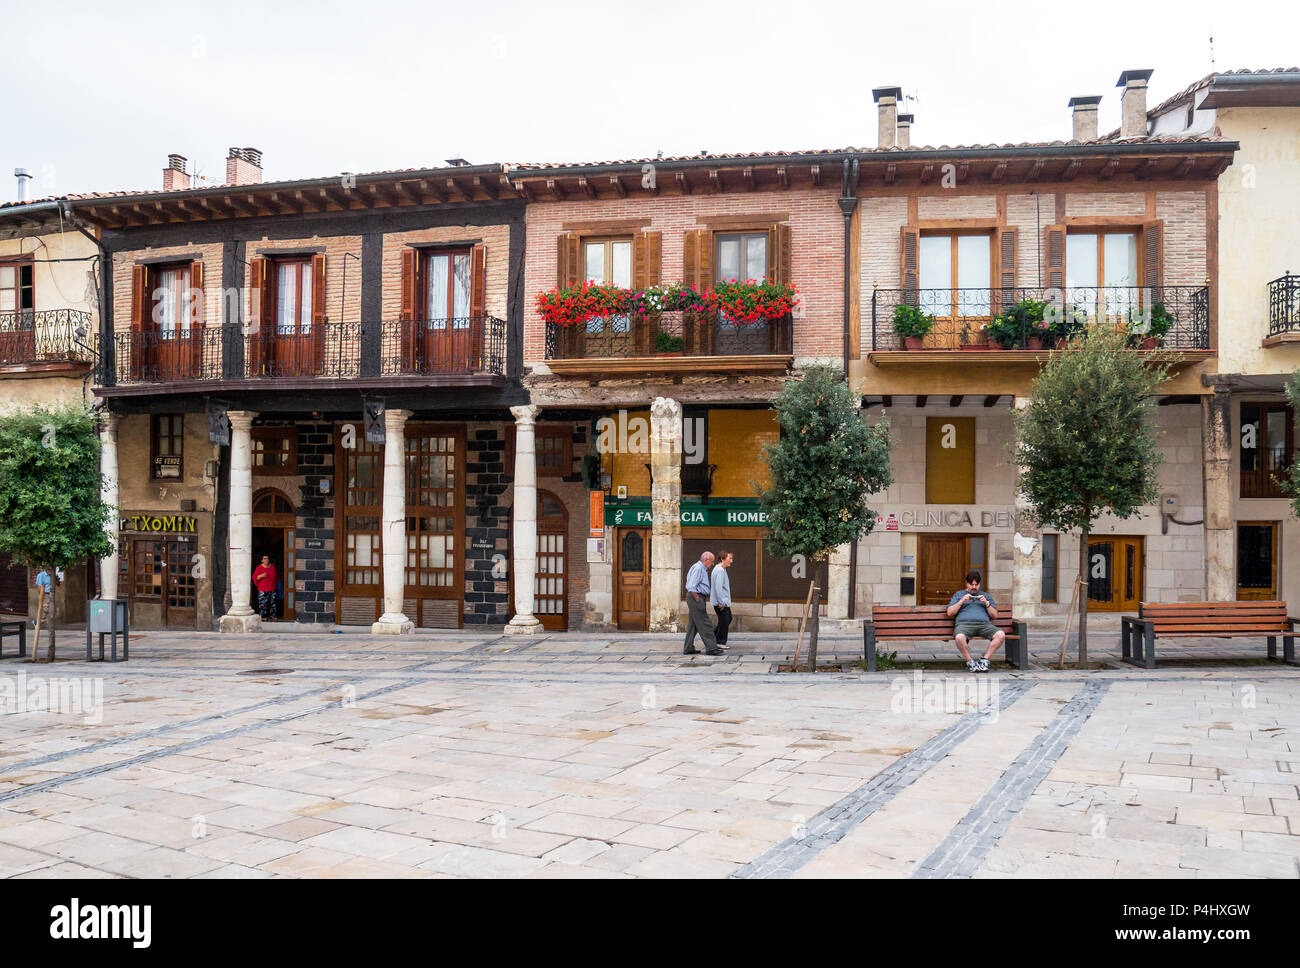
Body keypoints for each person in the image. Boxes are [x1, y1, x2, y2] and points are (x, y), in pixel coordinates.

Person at [945, 570, 1005, 673]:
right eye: (971, 584)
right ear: (966, 583)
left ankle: (984, 660)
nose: (974, 587)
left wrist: (986, 603)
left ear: (979, 584)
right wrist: (961, 601)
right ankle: (970, 662)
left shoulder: (985, 596)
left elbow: (994, 615)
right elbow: (949, 613)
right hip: (964, 625)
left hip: (984, 625)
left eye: (976, 585)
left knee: (1000, 635)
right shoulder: (959, 595)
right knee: (959, 637)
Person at [683, 551, 724, 656]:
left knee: (693, 625)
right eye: (712, 561)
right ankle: (711, 648)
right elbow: (691, 586)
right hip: (696, 597)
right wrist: (697, 599)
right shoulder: (699, 568)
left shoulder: (699, 567)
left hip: (696, 597)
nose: (713, 563)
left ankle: (688, 648)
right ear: (705, 560)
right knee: (706, 624)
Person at [710, 550, 734, 646]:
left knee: (727, 619)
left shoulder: (721, 569)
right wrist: (721, 602)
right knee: (724, 621)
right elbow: (718, 588)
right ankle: (720, 642)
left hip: (723, 601)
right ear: (722, 559)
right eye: (730, 559)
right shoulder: (719, 570)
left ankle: (712, 638)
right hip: (721, 603)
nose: (731, 561)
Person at [253, 555, 278, 621]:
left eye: (267, 558)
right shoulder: (259, 567)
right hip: (263, 589)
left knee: (273, 603)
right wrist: (261, 576)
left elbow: (276, 576)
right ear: (262, 560)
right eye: (265, 558)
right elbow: (255, 577)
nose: (266, 559)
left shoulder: (272, 566)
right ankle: (263, 616)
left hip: (272, 588)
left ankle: (273, 615)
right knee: (263, 604)